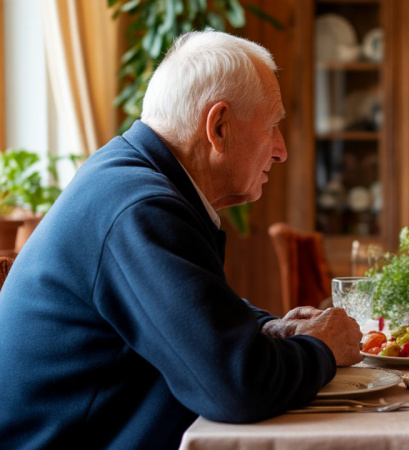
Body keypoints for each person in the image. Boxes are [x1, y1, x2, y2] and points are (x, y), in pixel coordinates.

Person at [0, 31, 363, 449]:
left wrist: (270, 328)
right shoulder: (139, 207)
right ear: (218, 126)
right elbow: (235, 388)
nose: (281, 151)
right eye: (272, 126)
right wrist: (322, 348)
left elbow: (190, 310)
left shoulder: (129, 177)